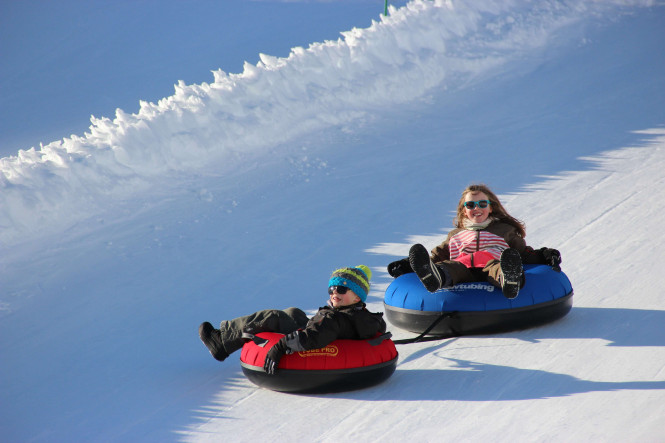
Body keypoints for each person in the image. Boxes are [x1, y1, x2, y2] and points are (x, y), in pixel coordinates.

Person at [199, 265, 387, 374]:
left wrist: (280, 346)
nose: (335, 293)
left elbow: (313, 338)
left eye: (342, 289)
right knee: (293, 312)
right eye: (332, 289)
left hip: (317, 340)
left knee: (273, 317)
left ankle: (222, 342)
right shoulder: (360, 315)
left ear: (357, 297)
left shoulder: (333, 318)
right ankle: (225, 338)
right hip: (329, 331)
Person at [387, 184, 562, 299]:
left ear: (490, 207)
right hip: (462, 268)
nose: (476, 208)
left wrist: (546, 255)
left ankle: (509, 279)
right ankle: (437, 278)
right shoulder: (455, 235)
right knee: (450, 266)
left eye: (482, 204)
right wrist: (407, 265)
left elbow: (524, 253)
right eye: (470, 205)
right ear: (464, 211)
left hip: (491, 264)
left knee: (500, 265)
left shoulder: (504, 230)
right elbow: (435, 256)